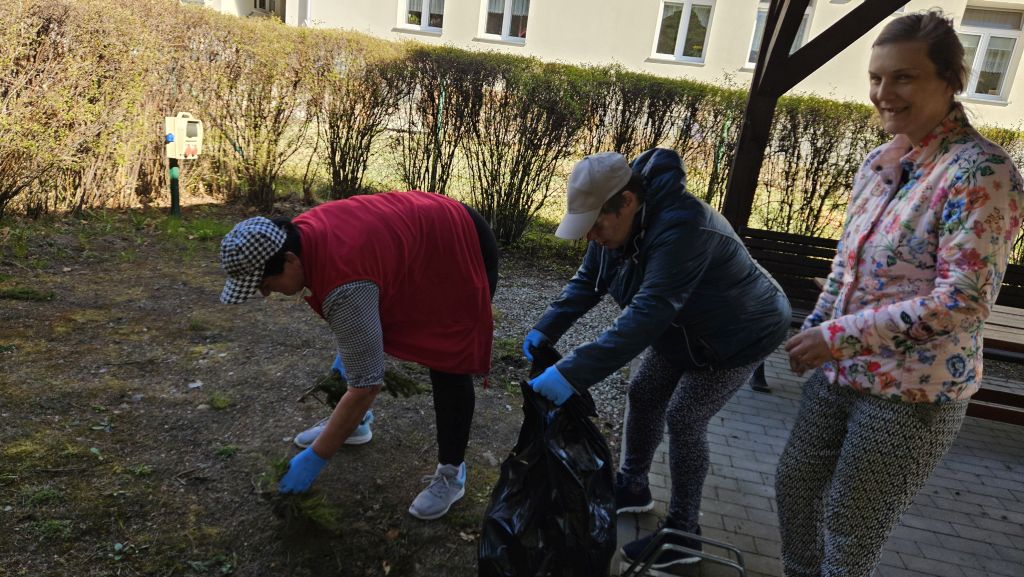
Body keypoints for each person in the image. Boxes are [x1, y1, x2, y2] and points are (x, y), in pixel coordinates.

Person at [776, 11, 1023, 577]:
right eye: (876, 78)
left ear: (949, 80)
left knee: (852, 527)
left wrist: (833, 336)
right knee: (794, 489)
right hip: (841, 372)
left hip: (913, 392)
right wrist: (812, 326)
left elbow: (961, 301)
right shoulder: (880, 163)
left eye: (904, 77)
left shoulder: (982, 172)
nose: (883, 93)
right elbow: (846, 266)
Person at [522, 149, 791, 569]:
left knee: (685, 417)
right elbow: (588, 282)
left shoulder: (685, 228)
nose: (591, 236)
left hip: (742, 332)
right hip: (683, 329)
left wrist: (570, 374)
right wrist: (546, 327)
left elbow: (647, 315)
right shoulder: (615, 227)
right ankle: (633, 486)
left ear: (627, 201)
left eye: (596, 226)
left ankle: (684, 535)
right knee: (644, 391)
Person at [218, 190, 499, 521]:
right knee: (360, 327)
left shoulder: (343, 281)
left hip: (459, 243)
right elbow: (356, 331)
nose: (264, 293)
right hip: (419, 237)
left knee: (448, 356)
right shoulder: (300, 237)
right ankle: (355, 425)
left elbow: (366, 384)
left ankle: (452, 474)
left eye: (265, 282)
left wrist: (316, 457)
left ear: (291, 259)